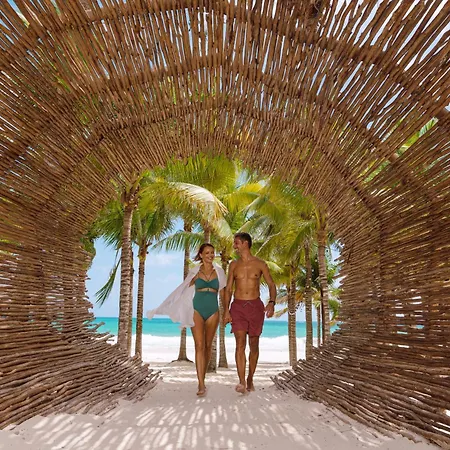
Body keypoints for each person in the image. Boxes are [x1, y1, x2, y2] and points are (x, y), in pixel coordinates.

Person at [147, 243, 226, 396]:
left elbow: (223, 293)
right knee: (199, 345)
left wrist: (227, 312)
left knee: (208, 346)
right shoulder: (195, 271)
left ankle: (203, 376)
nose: (210, 255)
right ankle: (201, 384)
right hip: (196, 309)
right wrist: (177, 303)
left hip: (213, 311)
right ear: (201, 255)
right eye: (207, 253)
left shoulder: (219, 271)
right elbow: (183, 290)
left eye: (212, 252)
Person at [223, 232, 276, 393]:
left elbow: (271, 284)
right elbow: (228, 289)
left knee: (254, 345)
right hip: (238, 307)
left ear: (245, 243)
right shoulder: (233, 265)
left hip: (255, 307)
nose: (234, 246)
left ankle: (250, 378)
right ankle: (241, 382)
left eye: (237, 243)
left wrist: (272, 303)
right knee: (240, 344)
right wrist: (226, 310)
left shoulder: (260, 264)